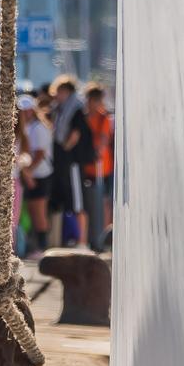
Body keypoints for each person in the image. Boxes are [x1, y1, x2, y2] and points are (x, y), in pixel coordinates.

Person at [49, 75, 91, 246]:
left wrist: (65, 149)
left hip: (72, 161)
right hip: (61, 162)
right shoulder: (59, 109)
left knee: (78, 201)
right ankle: (66, 239)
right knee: (66, 201)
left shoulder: (75, 109)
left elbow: (75, 133)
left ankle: (82, 240)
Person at [19, 94, 54, 256]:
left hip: (40, 175)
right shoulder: (29, 127)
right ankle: (37, 247)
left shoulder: (38, 128)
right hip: (33, 174)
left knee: (39, 213)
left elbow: (39, 154)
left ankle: (42, 247)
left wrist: (29, 173)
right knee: (33, 213)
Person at [82, 84, 115, 251]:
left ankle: (102, 239)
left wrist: (97, 152)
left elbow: (102, 139)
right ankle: (90, 238)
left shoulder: (104, 118)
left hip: (103, 167)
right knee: (89, 205)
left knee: (104, 203)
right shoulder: (85, 117)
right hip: (87, 167)